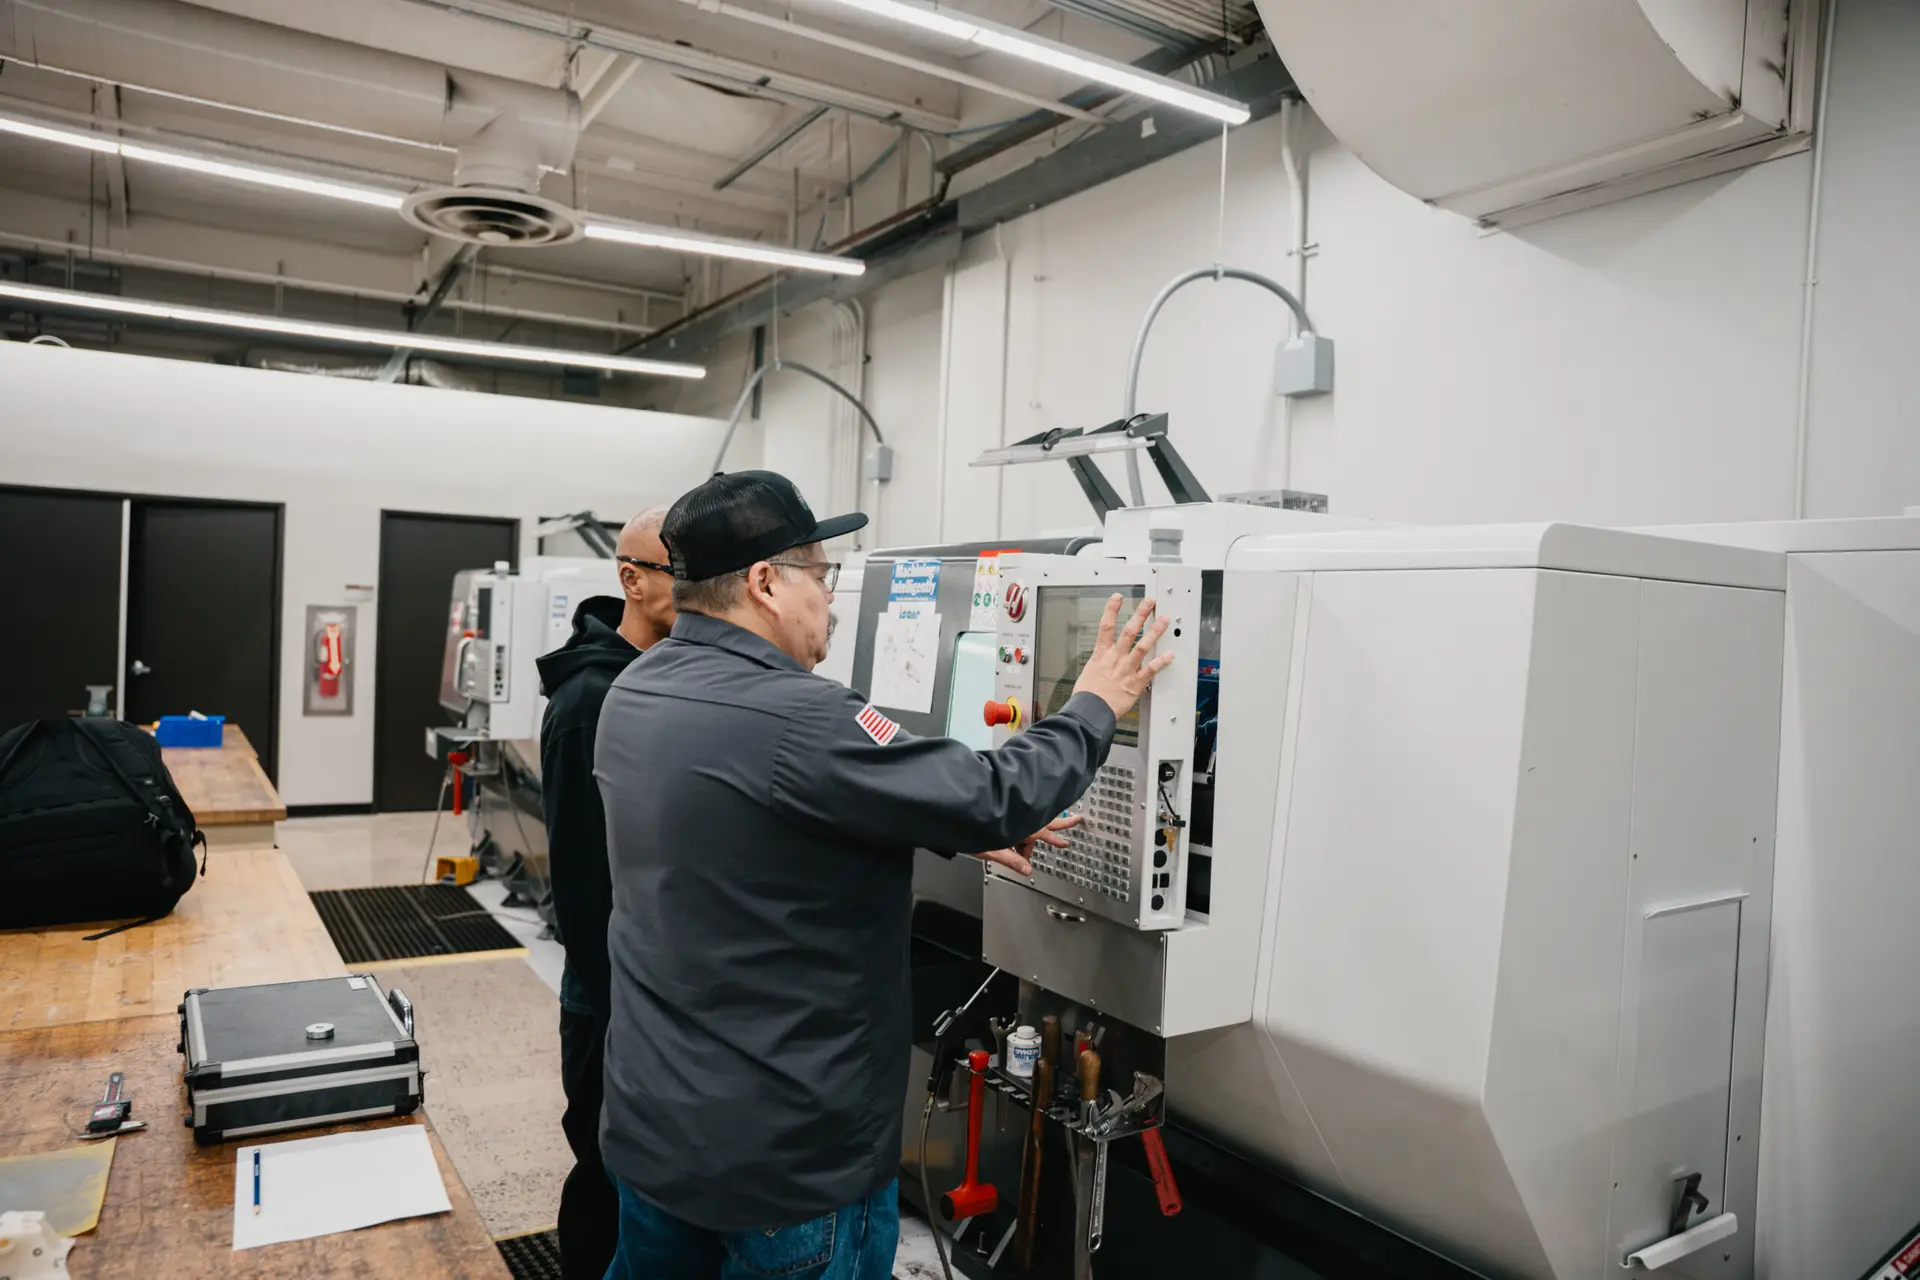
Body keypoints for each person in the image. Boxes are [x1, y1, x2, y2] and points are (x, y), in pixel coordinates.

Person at [593, 470, 1171, 1280]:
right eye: (821, 575)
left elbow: (755, 823)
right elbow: (999, 794)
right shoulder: (803, 716)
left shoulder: (636, 690)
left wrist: (938, 824)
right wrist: (1095, 703)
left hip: (655, 1128)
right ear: (764, 584)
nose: (829, 599)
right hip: (785, 1163)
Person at [533, 507, 676, 1280]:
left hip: (652, 981)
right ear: (632, 579)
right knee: (606, 1166)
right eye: (685, 575)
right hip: (610, 989)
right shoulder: (590, 698)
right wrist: (627, 1009)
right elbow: (584, 888)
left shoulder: (663, 678)